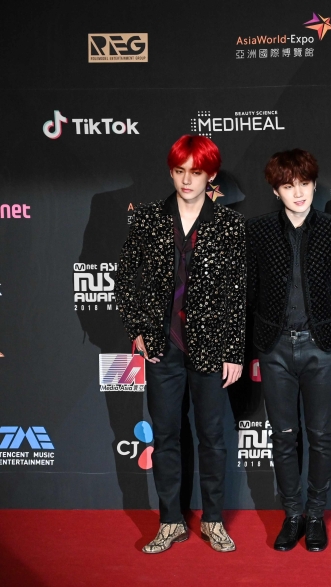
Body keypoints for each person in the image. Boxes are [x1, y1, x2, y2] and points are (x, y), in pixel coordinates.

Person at [117, 135, 246, 554]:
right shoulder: (150, 218)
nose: (186, 180)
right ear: (171, 172)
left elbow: (236, 292)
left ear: (210, 174)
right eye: (179, 171)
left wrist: (234, 351)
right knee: (167, 435)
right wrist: (137, 328)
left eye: (195, 172)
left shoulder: (228, 225)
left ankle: (212, 520)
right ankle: (170, 520)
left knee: (212, 436)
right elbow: (126, 279)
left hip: (209, 347)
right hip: (161, 348)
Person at [246, 149, 331, 552]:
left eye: (304, 184)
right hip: (274, 348)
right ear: (276, 190)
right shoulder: (257, 231)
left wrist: (322, 323)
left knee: (321, 437)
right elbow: (251, 289)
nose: (299, 193)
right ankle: (293, 515)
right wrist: (273, 325)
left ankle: (316, 516)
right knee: (283, 437)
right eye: (289, 186)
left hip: (320, 347)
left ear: (313, 184)